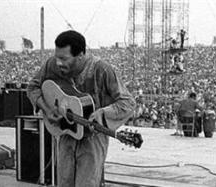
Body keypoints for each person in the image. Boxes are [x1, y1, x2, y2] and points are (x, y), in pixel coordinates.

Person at [27, 30, 135, 187]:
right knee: (64, 182)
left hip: (93, 138)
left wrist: (104, 112)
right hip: (66, 133)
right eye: (57, 57)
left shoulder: (102, 70)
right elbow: (33, 87)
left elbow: (128, 102)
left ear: (81, 55)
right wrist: (47, 109)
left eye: (64, 59)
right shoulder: (52, 64)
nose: (58, 63)